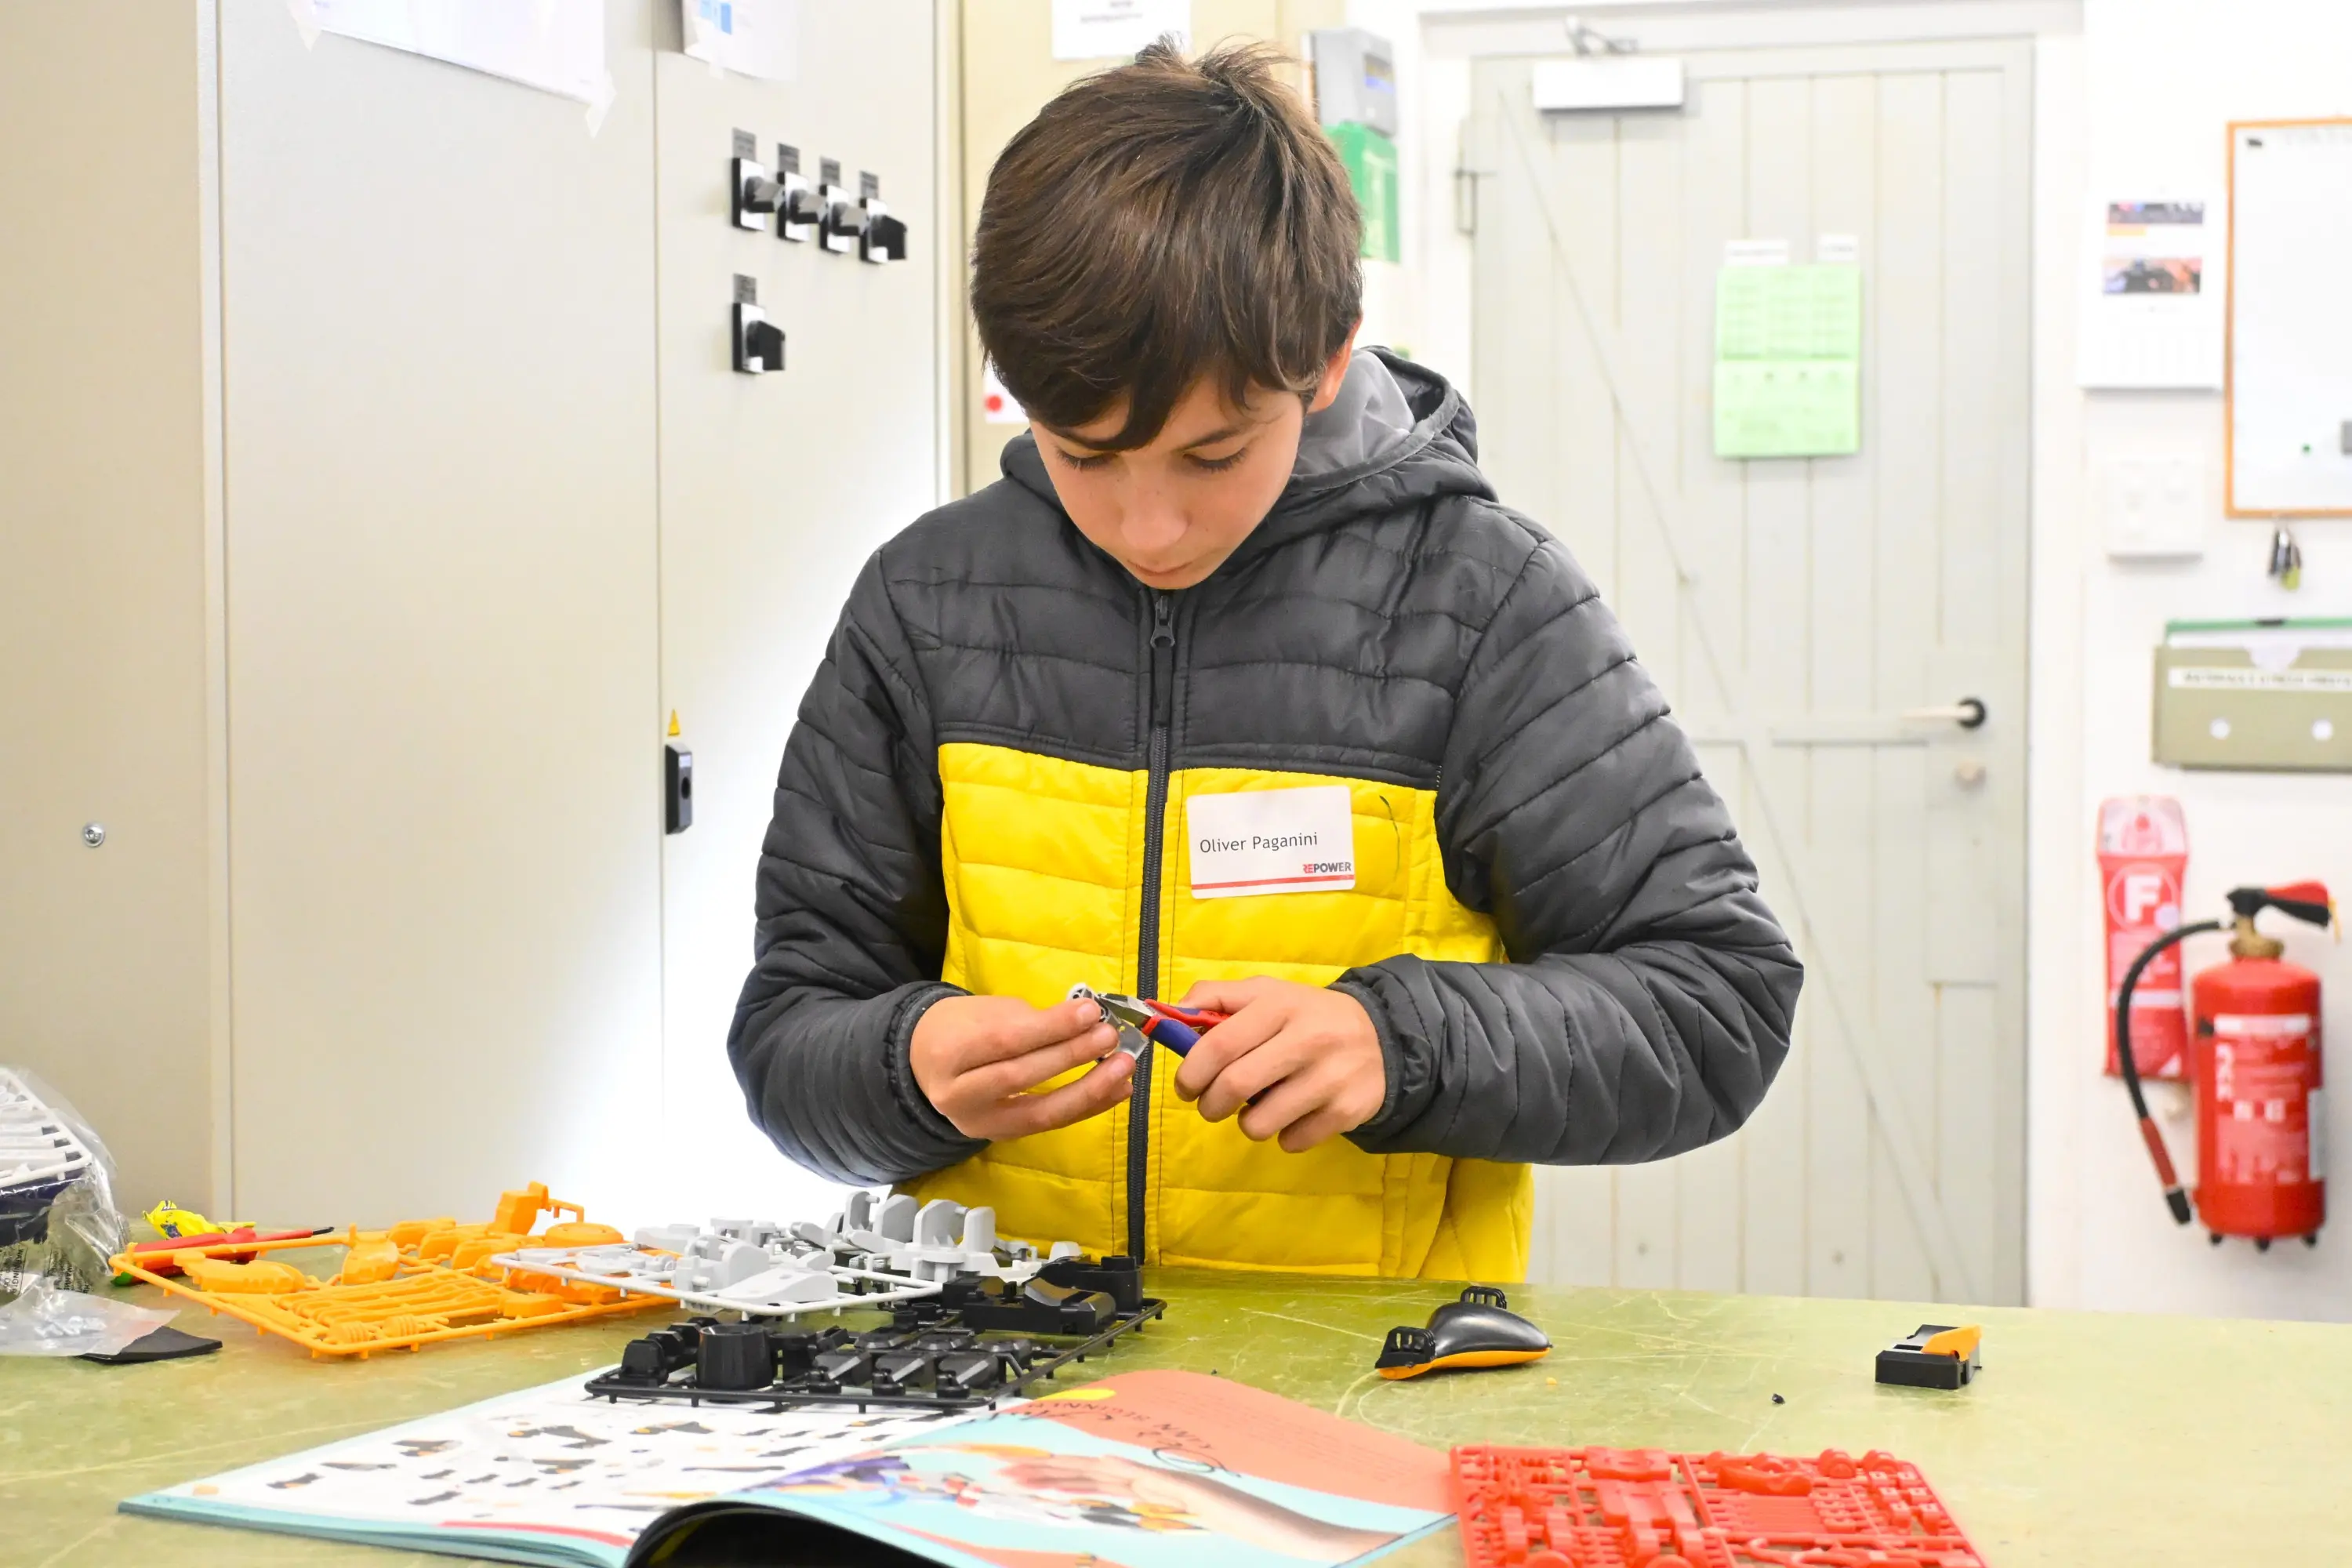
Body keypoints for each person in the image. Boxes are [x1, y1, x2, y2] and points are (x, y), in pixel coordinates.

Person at [728, 41, 1800, 1280]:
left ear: (1331, 354)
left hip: (1367, 1394)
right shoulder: (926, 601)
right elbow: (791, 1029)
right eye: (1082, 454)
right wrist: (897, 1068)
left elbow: (1718, 1004)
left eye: (1212, 454)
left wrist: (1400, 1045)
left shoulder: (1483, 602)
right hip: (998, 1403)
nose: (1149, 528)